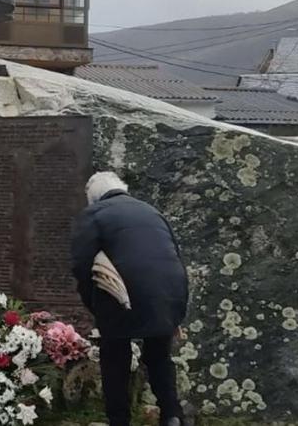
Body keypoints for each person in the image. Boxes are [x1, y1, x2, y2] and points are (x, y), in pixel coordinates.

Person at [69, 172, 189, 426]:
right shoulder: (151, 211)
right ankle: (172, 415)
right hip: (170, 291)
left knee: (115, 355)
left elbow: (81, 265)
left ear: (93, 198)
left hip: (124, 294)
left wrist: (95, 306)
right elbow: (174, 252)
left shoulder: (94, 214)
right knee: (158, 355)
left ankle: (119, 420)